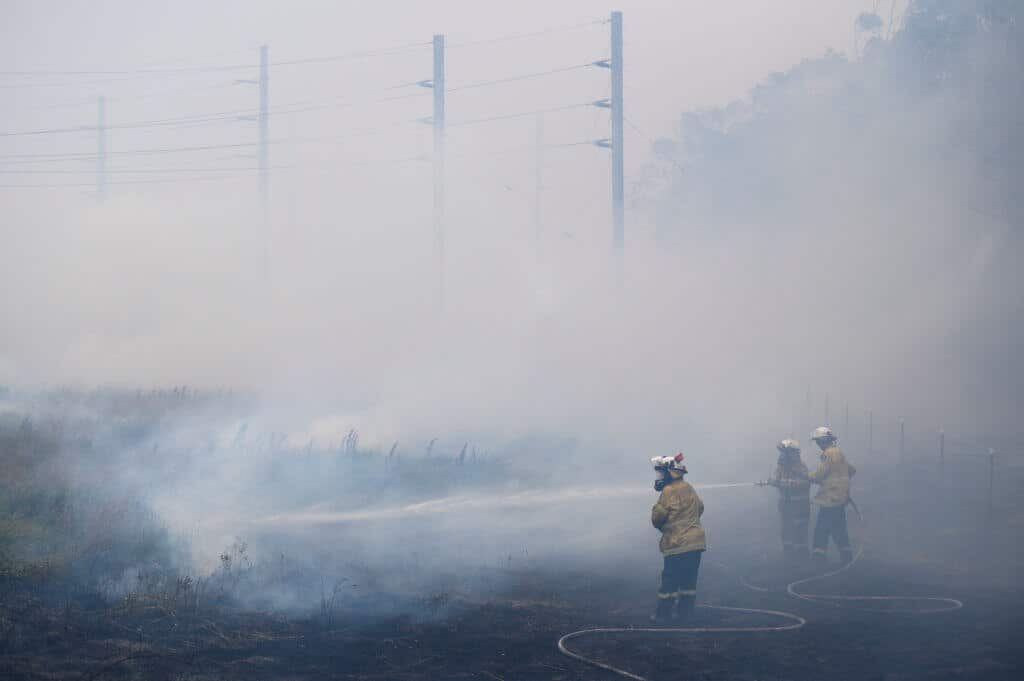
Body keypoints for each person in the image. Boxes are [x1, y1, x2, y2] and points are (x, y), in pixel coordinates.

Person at [650, 453, 706, 623]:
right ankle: (685, 614)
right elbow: (700, 508)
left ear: (670, 473)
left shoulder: (668, 491)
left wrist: (665, 524)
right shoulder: (688, 487)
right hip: (695, 542)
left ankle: (663, 615)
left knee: (670, 582)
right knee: (689, 581)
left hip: (676, 544)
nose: (659, 477)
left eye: (661, 473)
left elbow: (657, 518)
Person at [807, 426, 856, 567]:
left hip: (830, 498)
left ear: (823, 441)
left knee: (822, 528)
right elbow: (851, 471)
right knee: (839, 527)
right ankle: (847, 556)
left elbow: (819, 475)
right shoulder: (839, 453)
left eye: (818, 442)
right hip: (841, 498)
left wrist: (806, 476)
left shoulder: (828, 453)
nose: (817, 445)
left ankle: (818, 558)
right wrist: (842, 485)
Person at [769, 438, 810, 561]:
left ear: (793, 453)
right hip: (785, 504)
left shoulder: (801, 467)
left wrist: (781, 483)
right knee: (786, 528)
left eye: (785, 453)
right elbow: (776, 478)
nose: (782, 456)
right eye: (781, 452)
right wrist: (773, 481)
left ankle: (801, 552)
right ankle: (788, 551)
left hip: (800, 505)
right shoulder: (780, 467)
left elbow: (803, 483)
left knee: (800, 528)